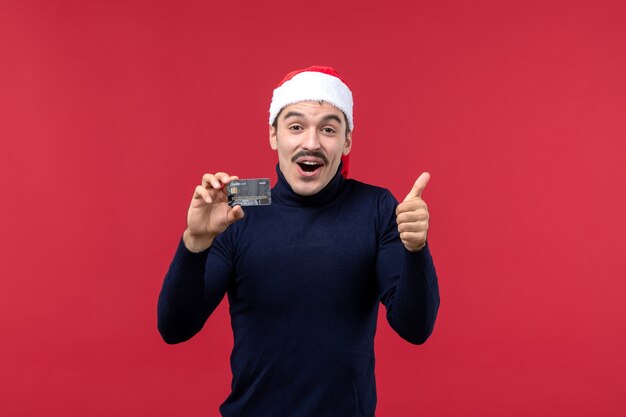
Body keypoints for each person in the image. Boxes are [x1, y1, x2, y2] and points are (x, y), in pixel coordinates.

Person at [157, 66, 440, 417]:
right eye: (295, 126)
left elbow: (415, 327)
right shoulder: (238, 209)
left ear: (347, 141)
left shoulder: (377, 207)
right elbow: (174, 328)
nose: (311, 142)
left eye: (328, 128)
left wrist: (416, 250)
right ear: (273, 136)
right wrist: (194, 243)